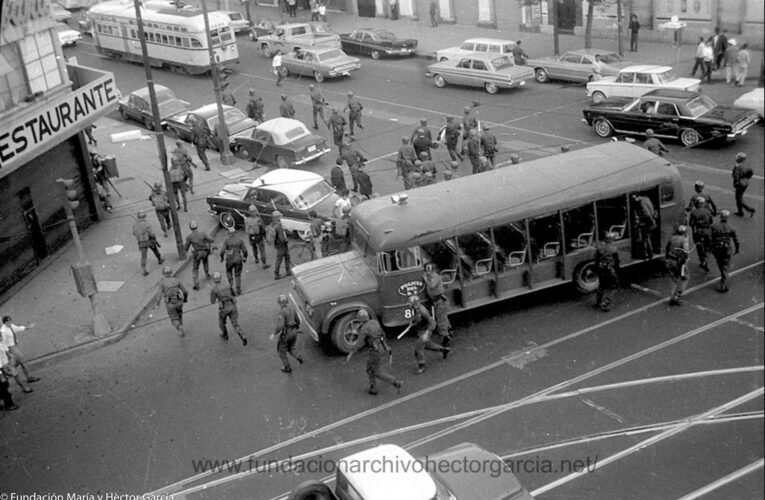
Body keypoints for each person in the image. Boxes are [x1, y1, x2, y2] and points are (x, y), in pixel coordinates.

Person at [347, 310, 402, 395]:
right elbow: (382, 334)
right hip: (380, 347)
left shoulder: (364, 328)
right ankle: (373, 387)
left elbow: (359, 344)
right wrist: (386, 346)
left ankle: (395, 381)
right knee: (370, 368)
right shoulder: (374, 322)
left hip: (374, 351)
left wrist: (351, 353)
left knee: (376, 371)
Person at [408, 295, 449, 375]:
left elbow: (433, 322)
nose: (408, 305)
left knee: (418, 350)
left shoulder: (423, 311)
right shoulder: (415, 310)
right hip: (420, 331)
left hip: (425, 332)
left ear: (414, 303)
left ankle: (422, 366)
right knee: (427, 345)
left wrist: (427, 334)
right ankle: (443, 350)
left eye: (410, 303)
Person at [1, 316, 40, 390]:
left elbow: (17, 328)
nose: (10, 323)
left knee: (21, 363)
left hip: (15, 346)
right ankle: (28, 379)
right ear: (4, 322)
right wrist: (9, 354)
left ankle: (28, 377)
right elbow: (3, 343)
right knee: (21, 363)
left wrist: (27, 327)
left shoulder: (10, 326)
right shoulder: (3, 331)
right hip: (11, 348)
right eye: (8, 322)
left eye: (10, 321)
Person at [210, 272, 248, 346]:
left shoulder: (214, 289)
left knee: (221, 322)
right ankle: (242, 335)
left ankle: (225, 334)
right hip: (232, 305)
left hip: (223, 308)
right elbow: (234, 294)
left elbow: (212, 302)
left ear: (214, 280)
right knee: (235, 324)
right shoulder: (227, 285)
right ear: (220, 278)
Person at [271, 294, 303, 372]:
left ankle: (287, 367)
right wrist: (297, 327)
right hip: (294, 331)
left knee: (281, 351)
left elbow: (280, 325)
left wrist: (274, 333)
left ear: (279, 303)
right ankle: (298, 356)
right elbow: (298, 320)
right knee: (291, 347)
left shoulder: (281, 312)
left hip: (287, 333)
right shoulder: (292, 308)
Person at [710, 211, 740, 293]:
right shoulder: (731, 227)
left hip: (717, 248)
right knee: (726, 266)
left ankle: (723, 274)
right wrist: (737, 249)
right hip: (726, 249)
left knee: (720, 262)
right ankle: (723, 284)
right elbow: (736, 240)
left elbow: (711, 238)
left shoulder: (714, 226)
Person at [422, 263, 451, 345]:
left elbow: (432, 286)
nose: (427, 271)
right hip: (436, 301)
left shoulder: (435, 276)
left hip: (440, 301)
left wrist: (425, 278)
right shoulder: (430, 277)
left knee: (441, 320)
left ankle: (446, 337)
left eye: (428, 269)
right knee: (443, 318)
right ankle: (449, 331)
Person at [593, 232, 620, 311]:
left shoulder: (599, 248)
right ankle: (606, 302)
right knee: (615, 287)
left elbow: (596, 260)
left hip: (601, 268)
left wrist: (596, 269)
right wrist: (617, 270)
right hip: (609, 269)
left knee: (601, 285)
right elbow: (616, 261)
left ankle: (598, 302)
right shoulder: (614, 248)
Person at [158, 266, 188, 337]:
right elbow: (185, 291)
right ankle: (181, 325)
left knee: (173, 318)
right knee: (180, 314)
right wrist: (185, 299)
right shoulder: (177, 280)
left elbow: (159, 295)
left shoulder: (162, 283)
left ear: (163, 273)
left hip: (170, 304)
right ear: (171, 272)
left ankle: (179, 327)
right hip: (179, 301)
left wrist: (157, 304)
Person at [184, 220, 214, 290]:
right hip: (205, 252)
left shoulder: (189, 237)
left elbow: (186, 248)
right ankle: (207, 274)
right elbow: (211, 240)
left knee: (195, 268)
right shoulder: (203, 233)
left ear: (190, 228)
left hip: (197, 254)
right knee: (205, 261)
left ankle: (196, 283)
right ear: (197, 226)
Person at [665, 225, 691, 306]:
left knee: (673, 279)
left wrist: (667, 258)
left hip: (670, 260)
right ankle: (677, 295)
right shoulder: (684, 240)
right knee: (686, 277)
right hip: (679, 262)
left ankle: (671, 297)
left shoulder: (672, 238)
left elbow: (667, 248)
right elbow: (686, 252)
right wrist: (685, 259)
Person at [132, 211, 163, 276]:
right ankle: (160, 259)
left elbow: (134, 233)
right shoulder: (147, 224)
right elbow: (152, 234)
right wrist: (154, 238)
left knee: (143, 257)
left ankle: (143, 270)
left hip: (141, 243)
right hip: (149, 241)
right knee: (155, 250)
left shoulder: (135, 225)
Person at [219, 226, 247, 295]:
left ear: (228, 234)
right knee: (237, 274)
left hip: (230, 260)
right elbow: (245, 250)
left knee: (228, 271)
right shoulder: (240, 241)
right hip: (238, 259)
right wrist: (245, 257)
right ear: (235, 233)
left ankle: (231, 284)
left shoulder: (227, 241)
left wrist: (222, 258)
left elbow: (222, 251)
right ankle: (238, 289)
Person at [688, 197, 714, 272]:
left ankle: (702, 261)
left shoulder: (693, 212)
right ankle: (706, 260)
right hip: (707, 231)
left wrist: (694, 234)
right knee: (707, 247)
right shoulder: (708, 211)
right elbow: (711, 222)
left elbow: (692, 224)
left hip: (698, 231)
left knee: (699, 247)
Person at [632, 193, 656, 260]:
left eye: (634, 199)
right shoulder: (646, 198)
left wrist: (651, 221)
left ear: (638, 197)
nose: (634, 200)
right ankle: (649, 253)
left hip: (648, 222)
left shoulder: (641, 203)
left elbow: (647, 214)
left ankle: (647, 254)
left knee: (645, 238)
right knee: (647, 238)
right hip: (651, 221)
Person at [731, 152, 755, 217]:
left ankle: (749, 209)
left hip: (740, 183)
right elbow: (751, 173)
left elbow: (736, 176)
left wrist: (736, 184)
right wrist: (746, 178)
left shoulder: (737, 166)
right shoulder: (747, 165)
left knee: (738, 198)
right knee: (740, 197)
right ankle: (740, 211)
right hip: (745, 181)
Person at [270, 211, 292, 280]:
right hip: (281, 245)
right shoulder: (278, 226)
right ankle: (277, 274)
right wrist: (286, 240)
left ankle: (288, 271)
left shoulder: (273, 224)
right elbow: (282, 238)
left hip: (277, 244)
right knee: (280, 259)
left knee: (287, 257)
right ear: (278, 217)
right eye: (280, 216)